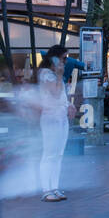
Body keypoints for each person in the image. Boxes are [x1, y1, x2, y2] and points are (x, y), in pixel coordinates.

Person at [35, 50, 72, 202]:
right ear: (55, 59)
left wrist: (69, 105)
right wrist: (58, 74)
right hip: (50, 118)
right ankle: (46, 189)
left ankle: (54, 187)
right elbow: (55, 93)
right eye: (64, 57)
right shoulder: (45, 74)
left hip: (61, 117)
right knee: (49, 153)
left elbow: (61, 96)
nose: (66, 61)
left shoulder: (55, 75)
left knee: (59, 154)